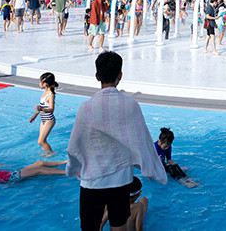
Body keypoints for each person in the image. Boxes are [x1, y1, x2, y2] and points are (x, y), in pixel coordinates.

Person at [66, 51, 167, 231]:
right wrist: (153, 170)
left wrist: (73, 168)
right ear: (120, 75)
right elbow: (141, 141)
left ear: (97, 76)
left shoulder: (86, 107)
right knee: (119, 227)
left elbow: (75, 145)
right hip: (121, 180)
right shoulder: (131, 105)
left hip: (92, 181)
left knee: (90, 228)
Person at [0, 145, 65, 196]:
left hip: (11, 174)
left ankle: (65, 162)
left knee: (40, 163)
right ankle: (67, 172)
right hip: (11, 178)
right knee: (39, 169)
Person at [29, 72, 58, 154]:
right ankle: (47, 153)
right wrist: (35, 115)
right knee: (42, 141)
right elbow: (42, 106)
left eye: (40, 82)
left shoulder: (51, 95)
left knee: (41, 141)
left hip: (49, 119)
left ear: (45, 84)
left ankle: (51, 155)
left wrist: (42, 109)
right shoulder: (44, 92)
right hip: (43, 119)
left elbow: (51, 109)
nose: (39, 84)